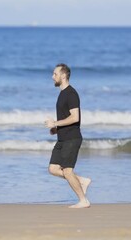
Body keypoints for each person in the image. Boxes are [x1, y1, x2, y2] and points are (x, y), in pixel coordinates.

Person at [44, 63, 91, 208]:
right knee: (52, 169)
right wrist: (56, 129)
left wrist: (55, 123)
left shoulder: (71, 93)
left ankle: (83, 201)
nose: (53, 77)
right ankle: (82, 181)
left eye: (55, 74)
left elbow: (75, 117)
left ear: (63, 75)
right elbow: (67, 119)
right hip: (62, 138)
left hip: (72, 138)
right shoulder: (62, 94)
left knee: (67, 171)